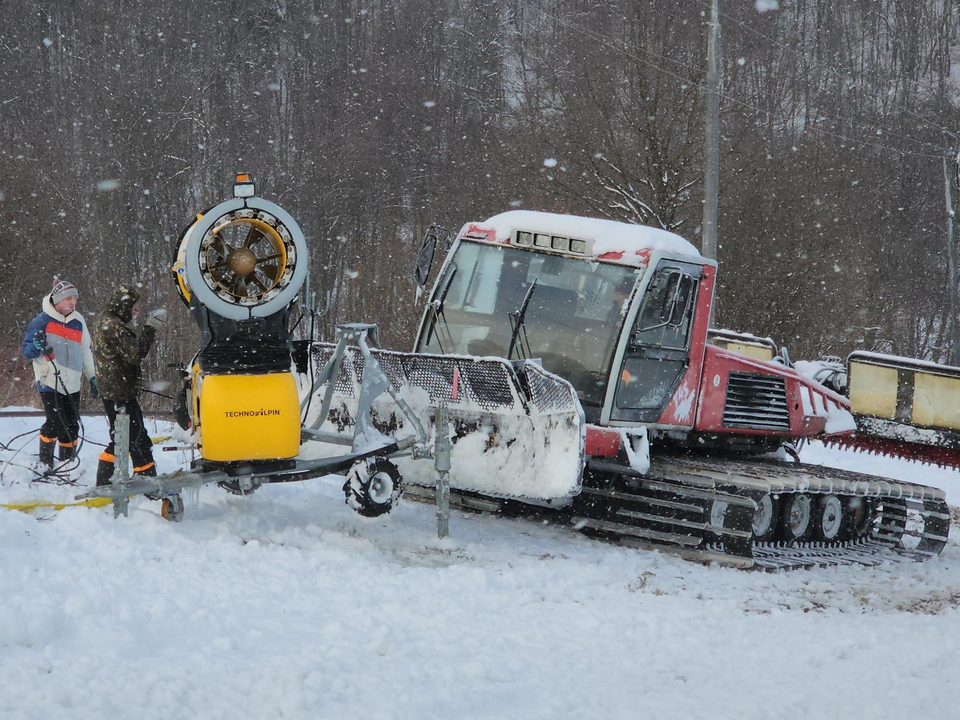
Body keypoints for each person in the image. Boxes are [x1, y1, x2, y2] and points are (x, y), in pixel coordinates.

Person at [92, 284, 166, 486]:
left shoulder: (106, 319)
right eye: (134, 306)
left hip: (116, 389)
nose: (137, 310)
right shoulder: (112, 324)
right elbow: (136, 353)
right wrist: (150, 329)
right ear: (124, 305)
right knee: (132, 439)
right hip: (119, 392)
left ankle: (125, 480)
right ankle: (142, 483)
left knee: (129, 438)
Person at [21, 279, 98, 471]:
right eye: (68, 299)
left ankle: (67, 463)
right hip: (49, 380)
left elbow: (85, 349)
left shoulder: (78, 320)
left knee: (72, 425)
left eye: (75, 299)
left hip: (73, 381)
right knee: (55, 422)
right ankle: (45, 462)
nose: (73, 302)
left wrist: (93, 377)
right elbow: (26, 351)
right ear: (57, 300)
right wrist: (37, 347)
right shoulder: (42, 321)